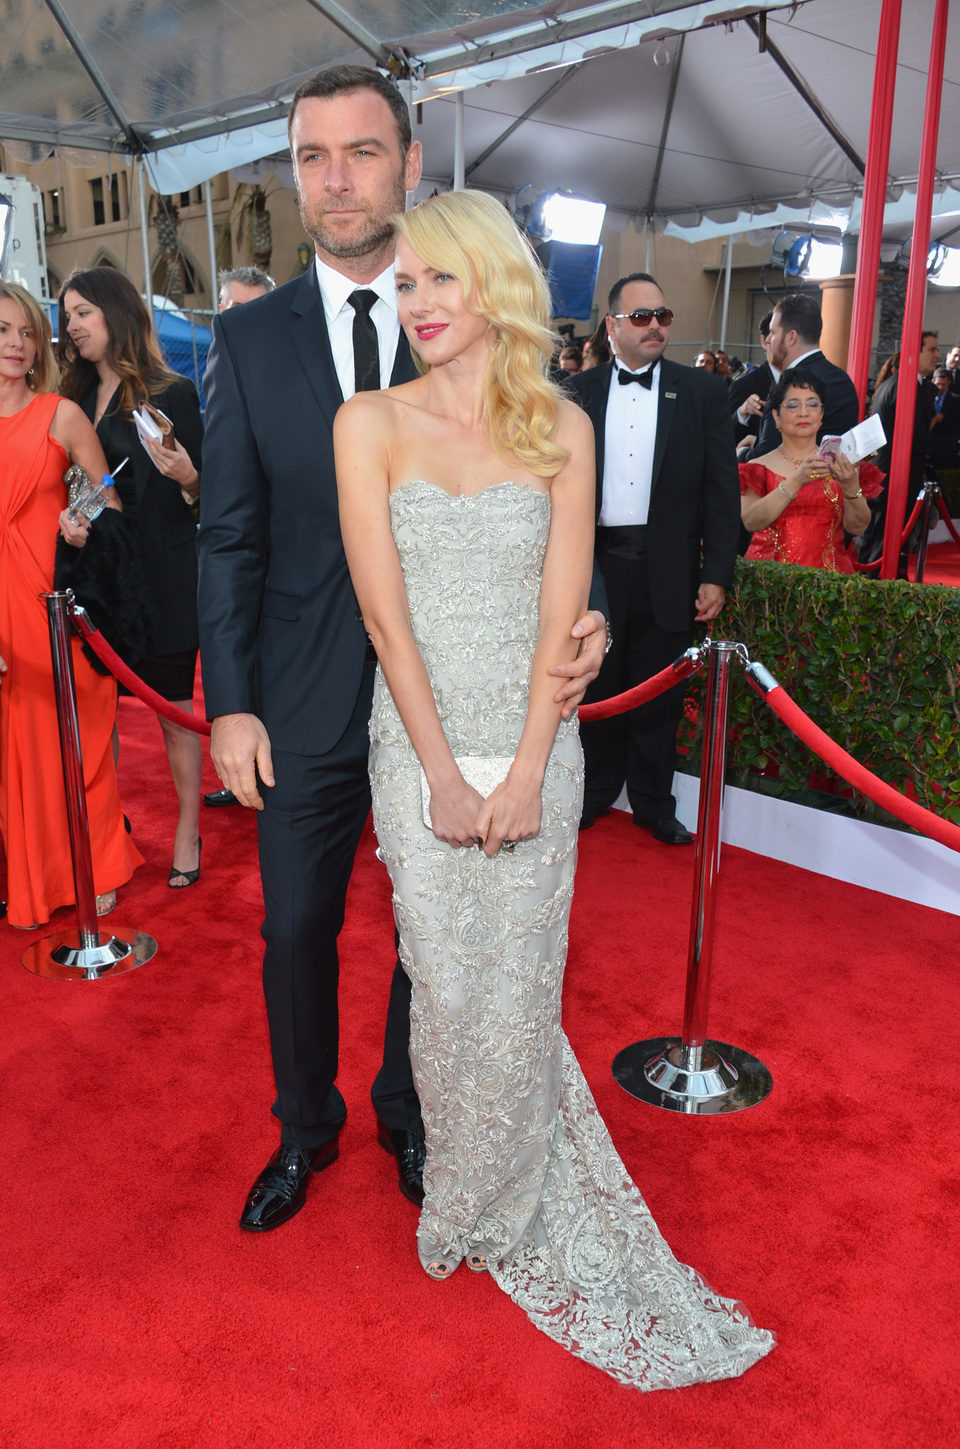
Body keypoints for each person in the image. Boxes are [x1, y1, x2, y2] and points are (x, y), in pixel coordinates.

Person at [334, 187, 773, 1389]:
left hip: (536, 742)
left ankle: (509, 1191)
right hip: (416, 738)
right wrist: (438, 772)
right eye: (405, 282)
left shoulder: (562, 431)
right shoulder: (366, 422)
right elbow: (385, 618)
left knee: (519, 981)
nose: (416, 301)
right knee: (445, 974)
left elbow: (561, 613)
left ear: (497, 287)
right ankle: (465, 1192)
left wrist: (529, 769)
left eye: (440, 278)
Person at [196, 65, 608, 1234]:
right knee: (296, 927)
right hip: (308, 689)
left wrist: (593, 628)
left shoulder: (489, 342)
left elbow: (546, 539)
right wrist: (231, 701)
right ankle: (303, 1126)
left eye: (362, 152)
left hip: (473, 694)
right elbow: (227, 536)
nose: (336, 179)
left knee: (441, 932)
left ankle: (409, 1109)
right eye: (312, 156)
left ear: (410, 163)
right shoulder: (247, 336)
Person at [572, 272, 741, 844]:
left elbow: (722, 492)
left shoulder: (702, 393)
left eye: (663, 317)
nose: (655, 327)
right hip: (594, 566)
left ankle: (651, 803)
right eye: (641, 317)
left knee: (658, 690)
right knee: (595, 685)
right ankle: (592, 794)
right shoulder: (577, 391)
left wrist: (717, 573)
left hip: (668, 567)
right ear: (612, 325)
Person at [0, 281, 142, 928]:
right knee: (16, 752)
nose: (17, 344)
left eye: (27, 332)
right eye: (4, 330)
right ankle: (31, 876)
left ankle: (99, 866)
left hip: (57, 606)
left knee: (77, 744)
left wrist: (81, 520)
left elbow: (107, 501)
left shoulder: (61, 414)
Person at [57, 268, 205, 890]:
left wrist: (188, 476)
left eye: (83, 313)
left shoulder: (173, 392)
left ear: (116, 313)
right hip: (98, 575)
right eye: (68, 317)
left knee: (174, 713)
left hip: (166, 573)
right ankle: (106, 833)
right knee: (99, 718)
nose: (73, 327)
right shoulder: (69, 393)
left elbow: (211, 493)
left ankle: (188, 828)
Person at [202, 265, 279, 811]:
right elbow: (227, 517)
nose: (243, 319)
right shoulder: (223, 363)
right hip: (245, 567)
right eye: (234, 307)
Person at [738, 369, 878, 571]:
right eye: (793, 405)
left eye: (812, 404)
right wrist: (797, 480)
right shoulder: (756, 468)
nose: (804, 412)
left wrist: (850, 488)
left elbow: (858, 527)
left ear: (821, 415)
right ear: (776, 416)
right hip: (770, 582)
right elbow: (751, 521)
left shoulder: (843, 464)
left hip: (832, 585)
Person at [740, 293, 859, 460]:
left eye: (773, 333)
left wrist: (741, 453)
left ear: (791, 337)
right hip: (833, 483)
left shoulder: (790, 385)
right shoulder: (843, 380)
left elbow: (768, 457)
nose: (767, 339)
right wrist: (759, 440)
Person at [860, 330, 940, 568]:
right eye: (932, 349)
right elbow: (915, 439)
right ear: (914, 353)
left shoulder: (898, 384)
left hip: (888, 476)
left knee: (883, 544)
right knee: (880, 548)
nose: (938, 355)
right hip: (893, 479)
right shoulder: (906, 387)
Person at [730, 310, 778, 445]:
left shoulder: (808, 383)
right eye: (777, 335)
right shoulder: (743, 386)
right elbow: (722, 438)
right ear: (764, 340)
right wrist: (741, 414)